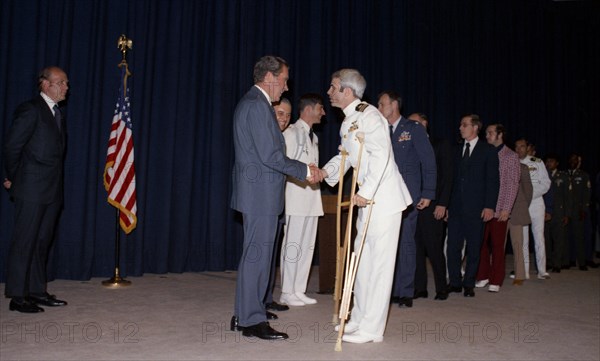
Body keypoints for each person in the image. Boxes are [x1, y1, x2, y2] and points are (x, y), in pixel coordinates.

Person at [229, 55, 320, 340]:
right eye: (283, 80)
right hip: (260, 195)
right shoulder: (257, 106)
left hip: (258, 193)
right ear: (269, 77)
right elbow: (271, 156)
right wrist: (305, 169)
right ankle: (251, 320)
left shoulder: (255, 104)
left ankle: (246, 311)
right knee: (257, 256)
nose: (286, 86)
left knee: (255, 256)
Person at [318, 69, 412, 343]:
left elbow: (382, 156)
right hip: (367, 199)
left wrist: (366, 191)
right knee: (361, 262)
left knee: (379, 266)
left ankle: (372, 329)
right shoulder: (349, 121)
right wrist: (326, 172)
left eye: (333, 87)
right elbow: (346, 156)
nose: (329, 92)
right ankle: (358, 318)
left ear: (347, 91)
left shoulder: (370, 116)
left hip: (383, 198)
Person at [2, 66, 69, 313]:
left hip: (51, 189)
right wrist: (13, 177)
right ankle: (17, 297)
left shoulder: (57, 113)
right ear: (44, 84)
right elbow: (12, 147)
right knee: (24, 241)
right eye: (60, 83)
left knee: (41, 241)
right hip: (30, 188)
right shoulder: (31, 110)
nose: (65, 87)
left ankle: (37, 290)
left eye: (66, 83)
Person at [377, 92, 436, 308]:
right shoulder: (380, 129)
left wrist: (428, 192)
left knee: (406, 243)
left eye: (382, 103)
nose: (379, 106)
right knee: (386, 244)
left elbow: (428, 162)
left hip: (408, 197)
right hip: (384, 196)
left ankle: (405, 291)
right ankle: (390, 290)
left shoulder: (413, 129)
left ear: (394, 105)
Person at [279, 93, 325, 306]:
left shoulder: (313, 137)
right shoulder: (292, 132)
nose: (323, 113)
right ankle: (287, 291)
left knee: (307, 247)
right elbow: (283, 163)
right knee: (293, 245)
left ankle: (299, 289)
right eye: (320, 108)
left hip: (312, 199)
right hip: (296, 197)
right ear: (309, 109)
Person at [446, 114, 499, 297]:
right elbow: (450, 180)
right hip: (455, 208)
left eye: (464, 125)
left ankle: (469, 283)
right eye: (460, 124)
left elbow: (493, 181)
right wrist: (445, 205)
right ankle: (454, 282)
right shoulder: (456, 150)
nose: (460, 128)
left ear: (475, 127)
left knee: (474, 247)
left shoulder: (488, 150)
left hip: (477, 208)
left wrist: (489, 206)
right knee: (453, 246)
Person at [410, 113, 454, 301]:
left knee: (434, 248)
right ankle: (420, 288)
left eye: (414, 123)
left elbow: (447, 176)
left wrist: (443, 203)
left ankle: (441, 288)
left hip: (433, 204)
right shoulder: (409, 146)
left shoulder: (440, 144)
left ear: (424, 124)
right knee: (416, 248)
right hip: (413, 205)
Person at [475, 124, 520, 293]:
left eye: (490, 133)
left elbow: (512, 184)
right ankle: (483, 275)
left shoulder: (510, 156)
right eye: (486, 133)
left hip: (500, 208)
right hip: (483, 207)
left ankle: (496, 278)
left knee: (497, 245)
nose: (487, 135)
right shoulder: (484, 152)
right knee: (480, 243)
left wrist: (506, 208)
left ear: (500, 135)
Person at [262, 98, 294, 314]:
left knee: (271, 254)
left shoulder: (279, 137)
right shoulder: (265, 135)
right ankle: (257, 303)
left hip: (276, 201)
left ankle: (265, 298)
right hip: (262, 202)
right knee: (261, 255)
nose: (283, 119)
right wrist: (308, 171)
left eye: (287, 115)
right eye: (279, 113)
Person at [515, 138, 551, 279]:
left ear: (527, 147)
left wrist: (530, 195)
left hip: (536, 203)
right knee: (523, 239)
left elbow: (546, 183)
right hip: (520, 206)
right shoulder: (512, 163)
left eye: (522, 146)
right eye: (516, 147)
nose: (519, 149)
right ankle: (524, 271)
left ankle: (542, 271)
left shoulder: (537, 162)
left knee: (539, 237)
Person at [544, 153, 570, 272]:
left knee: (558, 239)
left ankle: (557, 263)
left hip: (559, 212)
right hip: (544, 211)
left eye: (552, 161)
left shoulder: (563, 176)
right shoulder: (543, 174)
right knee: (546, 239)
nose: (549, 163)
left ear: (557, 163)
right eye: (548, 161)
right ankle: (548, 261)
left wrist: (566, 214)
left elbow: (568, 197)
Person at [508, 163, 534, 285]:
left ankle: (519, 274)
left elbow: (528, 190)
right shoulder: (497, 163)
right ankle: (496, 274)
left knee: (518, 243)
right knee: (498, 245)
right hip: (500, 209)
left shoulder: (522, 167)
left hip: (517, 210)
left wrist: (522, 206)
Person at [565, 153, 592, 270]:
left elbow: (587, 194)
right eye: (571, 159)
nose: (573, 161)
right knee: (566, 236)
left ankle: (582, 262)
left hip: (577, 210)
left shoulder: (584, 175)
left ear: (578, 162)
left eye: (575, 160)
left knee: (579, 237)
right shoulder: (564, 174)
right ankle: (569, 260)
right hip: (566, 211)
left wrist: (584, 209)